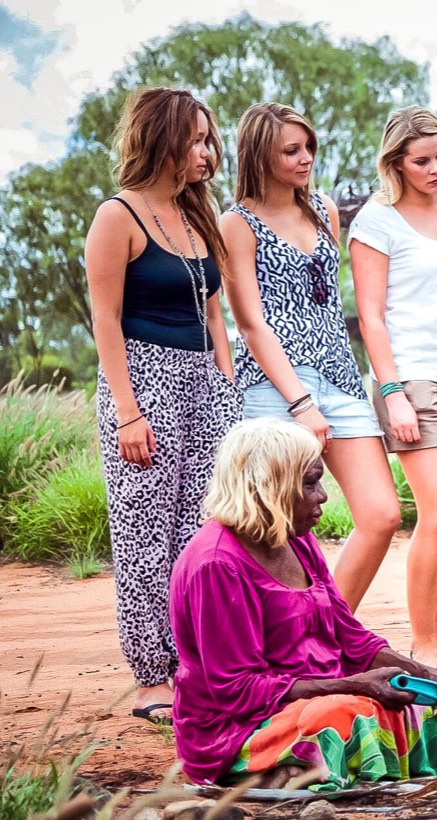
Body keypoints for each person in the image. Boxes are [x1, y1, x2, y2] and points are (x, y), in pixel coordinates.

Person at [169, 418, 437, 789]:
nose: (323, 496)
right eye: (310, 482)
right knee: (350, 715)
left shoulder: (292, 537)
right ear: (271, 487)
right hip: (242, 727)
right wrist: (356, 686)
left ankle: (336, 760)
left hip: (329, 695)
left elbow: (351, 637)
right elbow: (239, 691)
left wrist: (426, 674)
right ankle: (264, 766)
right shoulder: (217, 565)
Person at [84, 87, 242, 726]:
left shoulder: (198, 213)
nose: (208, 152)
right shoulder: (117, 215)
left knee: (200, 530)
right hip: (142, 380)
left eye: (210, 140)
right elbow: (105, 317)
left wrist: (227, 389)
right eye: (198, 140)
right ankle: (152, 677)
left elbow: (214, 311)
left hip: (204, 381)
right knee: (144, 531)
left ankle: (194, 666)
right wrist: (127, 411)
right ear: (164, 140)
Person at [221, 102, 401, 612]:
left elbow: (325, 295)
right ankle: (275, 642)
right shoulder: (235, 223)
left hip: (340, 378)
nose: (306, 159)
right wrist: (300, 403)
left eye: (309, 148)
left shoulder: (322, 207)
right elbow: (250, 323)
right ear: (259, 156)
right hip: (275, 389)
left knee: (382, 513)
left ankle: (324, 626)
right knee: (270, 531)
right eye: (291, 151)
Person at [350, 107, 437, 678]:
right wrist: (392, 391)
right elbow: (371, 316)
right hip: (415, 379)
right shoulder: (375, 222)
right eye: (422, 161)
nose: (436, 169)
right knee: (436, 511)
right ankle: (422, 645)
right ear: (396, 164)